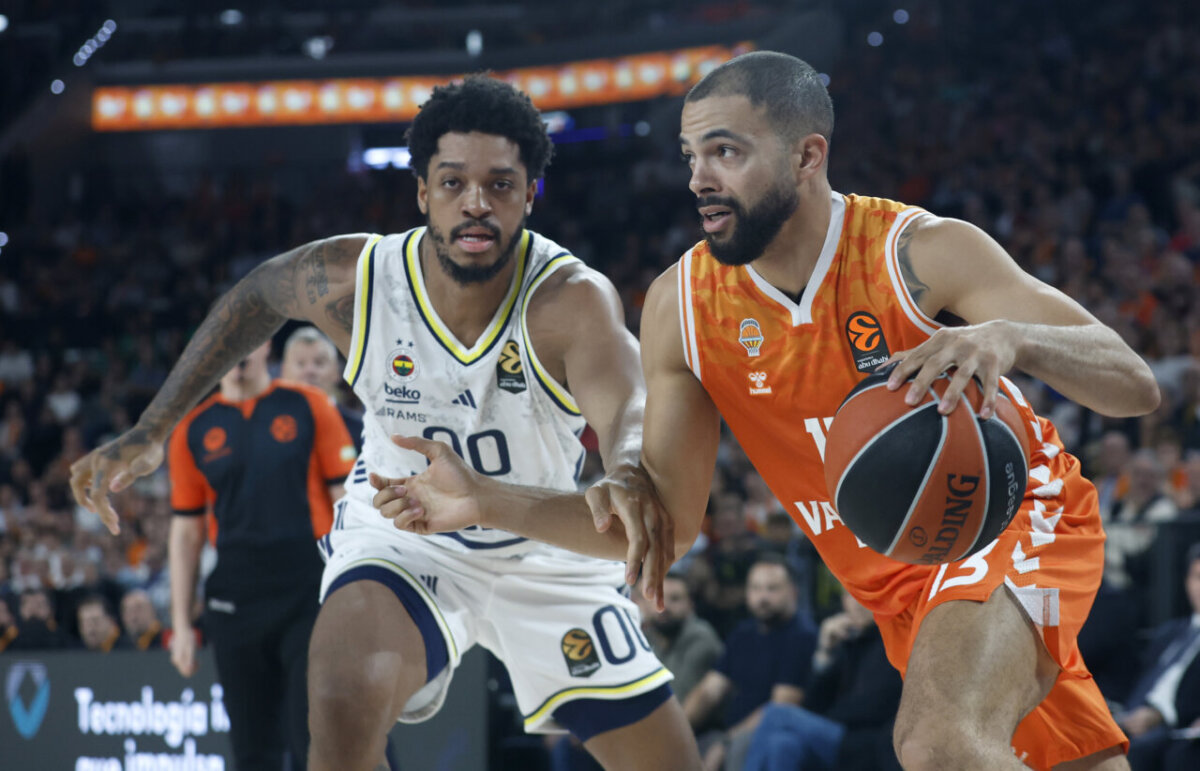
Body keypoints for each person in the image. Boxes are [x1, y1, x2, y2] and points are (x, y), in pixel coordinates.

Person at [70, 75, 698, 771]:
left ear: (529, 194)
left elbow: (628, 410)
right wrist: (153, 427)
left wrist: (631, 464)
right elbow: (256, 296)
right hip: (404, 534)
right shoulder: (359, 279)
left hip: (537, 545)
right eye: (454, 182)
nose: (476, 204)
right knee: (338, 708)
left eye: (499, 184)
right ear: (423, 191)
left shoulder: (570, 300)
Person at [635, 51, 1160, 770]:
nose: (700, 176)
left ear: (807, 156)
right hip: (898, 575)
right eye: (692, 154)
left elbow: (1133, 382)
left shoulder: (917, 252)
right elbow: (668, 520)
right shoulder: (681, 307)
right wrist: (491, 501)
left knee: (936, 744)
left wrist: (1011, 338)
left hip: (1007, 511)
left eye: (725, 150)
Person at [165, 341, 355, 771]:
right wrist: (179, 624)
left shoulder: (309, 405)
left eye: (246, 340)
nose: (236, 354)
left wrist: (355, 589)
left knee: (315, 735)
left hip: (309, 592)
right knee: (253, 751)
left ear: (265, 344)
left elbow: (346, 501)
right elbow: (186, 532)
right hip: (235, 601)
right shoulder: (193, 429)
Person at [683, 554, 816, 771]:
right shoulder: (743, 633)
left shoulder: (802, 636)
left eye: (772, 589)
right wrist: (678, 730)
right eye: (755, 588)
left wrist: (726, 742)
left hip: (769, 734)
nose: (762, 597)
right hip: (728, 732)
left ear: (793, 591)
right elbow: (709, 691)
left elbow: (780, 707)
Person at [743, 591, 903, 771]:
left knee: (774, 714)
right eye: (849, 596)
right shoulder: (847, 643)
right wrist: (824, 653)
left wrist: (828, 719)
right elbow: (812, 705)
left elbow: (874, 706)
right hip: (835, 734)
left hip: (865, 743)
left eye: (862, 596)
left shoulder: (892, 645)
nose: (856, 604)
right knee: (782, 744)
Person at [1118, 541, 1200, 771]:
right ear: (1187, 581)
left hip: (1175, 728)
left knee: (1141, 751)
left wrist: (1158, 715)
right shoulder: (1169, 633)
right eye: (1197, 577)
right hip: (1131, 716)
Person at [282, 324, 364, 453]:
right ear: (283, 371)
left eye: (319, 362)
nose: (309, 371)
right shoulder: (266, 428)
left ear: (337, 371)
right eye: (300, 363)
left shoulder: (361, 431)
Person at [642, 572, 723, 702]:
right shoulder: (644, 637)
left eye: (674, 599)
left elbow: (678, 698)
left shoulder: (701, 638)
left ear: (690, 604)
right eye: (657, 597)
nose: (663, 607)